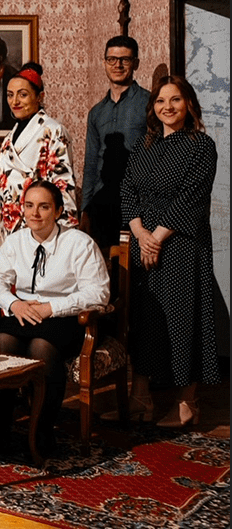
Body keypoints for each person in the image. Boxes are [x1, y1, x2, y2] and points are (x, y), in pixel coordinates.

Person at [113, 76, 219, 428]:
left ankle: (187, 404)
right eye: (160, 100)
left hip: (182, 246)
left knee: (182, 320)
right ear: (152, 107)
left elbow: (191, 197)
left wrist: (156, 237)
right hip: (144, 244)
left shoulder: (201, 146)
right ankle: (140, 397)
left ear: (189, 104)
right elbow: (127, 191)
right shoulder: (144, 146)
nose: (167, 107)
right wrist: (140, 233)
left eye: (175, 100)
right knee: (144, 320)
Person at [0, 180, 109, 455]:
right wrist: (13, 303)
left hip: (68, 318)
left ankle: (42, 431)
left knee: (41, 346)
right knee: (3, 339)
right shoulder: (16, 241)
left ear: (59, 211)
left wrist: (51, 308)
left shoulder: (79, 243)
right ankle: (1, 427)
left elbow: (98, 293)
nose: (35, 213)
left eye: (44, 207)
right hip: (25, 312)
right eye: (29, 206)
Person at [0, 62, 78, 256]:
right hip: (8, 220)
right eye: (10, 95)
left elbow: (63, 183)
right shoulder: (9, 138)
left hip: (38, 218)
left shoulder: (53, 131)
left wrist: (65, 231)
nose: (15, 101)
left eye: (23, 95)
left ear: (40, 97)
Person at [81, 35, 150, 250]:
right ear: (104, 62)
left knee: (134, 264)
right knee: (102, 263)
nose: (117, 65)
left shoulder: (149, 104)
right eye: (111, 59)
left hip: (138, 203)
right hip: (102, 203)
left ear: (136, 63)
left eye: (124, 59)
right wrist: (85, 209)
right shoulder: (96, 112)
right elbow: (91, 163)